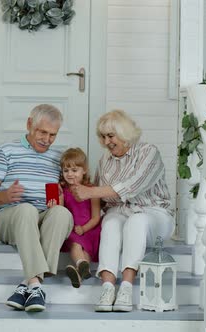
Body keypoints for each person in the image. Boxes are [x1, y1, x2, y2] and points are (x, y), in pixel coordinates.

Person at [70, 109, 175, 312]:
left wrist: (89, 191)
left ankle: (126, 287)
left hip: (154, 213)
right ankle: (108, 287)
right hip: (120, 212)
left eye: (111, 135)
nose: (107, 141)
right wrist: (74, 195)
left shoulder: (148, 152)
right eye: (103, 137)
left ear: (124, 132)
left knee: (136, 221)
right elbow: (101, 200)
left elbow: (131, 187)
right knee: (109, 223)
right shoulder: (105, 161)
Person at [0, 104, 73, 312]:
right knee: (26, 209)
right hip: (10, 217)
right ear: (29, 124)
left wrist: (62, 197)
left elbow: (69, 191)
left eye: (52, 135)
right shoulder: (6, 151)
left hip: (43, 218)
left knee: (62, 214)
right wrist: (4, 196)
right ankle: (36, 283)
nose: (46, 139)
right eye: (42, 132)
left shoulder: (60, 157)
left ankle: (29, 285)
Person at [52, 147, 101, 288]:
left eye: (74, 170)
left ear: (84, 170)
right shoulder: (64, 190)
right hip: (73, 229)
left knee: (81, 245)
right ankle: (81, 270)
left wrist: (84, 228)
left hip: (90, 228)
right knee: (76, 243)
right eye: (66, 171)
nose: (70, 174)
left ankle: (80, 267)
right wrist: (58, 195)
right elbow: (59, 210)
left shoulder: (92, 190)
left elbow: (96, 217)